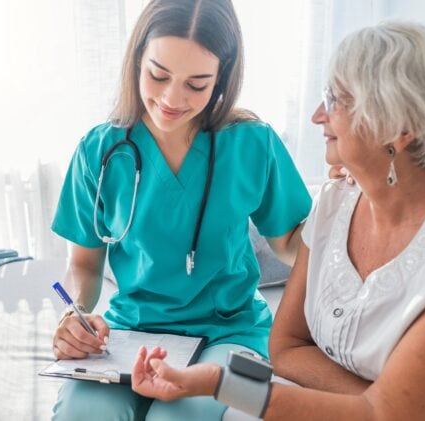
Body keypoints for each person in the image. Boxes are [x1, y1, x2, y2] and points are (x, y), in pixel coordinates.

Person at [131, 21, 425, 420]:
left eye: (336, 100)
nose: (318, 116)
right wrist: (385, 400)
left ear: (401, 127)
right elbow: (287, 347)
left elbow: (385, 415)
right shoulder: (335, 201)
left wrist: (220, 382)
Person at [50, 0, 312, 419]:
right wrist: (75, 314)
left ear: (222, 79)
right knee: (84, 412)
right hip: (130, 331)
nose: (172, 98)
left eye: (196, 84)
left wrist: (354, 205)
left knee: (176, 418)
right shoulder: (98, 151)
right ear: (137, 61)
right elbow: (84, 266)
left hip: (229, 333)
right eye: (158, 75)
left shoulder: (251, 144)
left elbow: (290, 245)